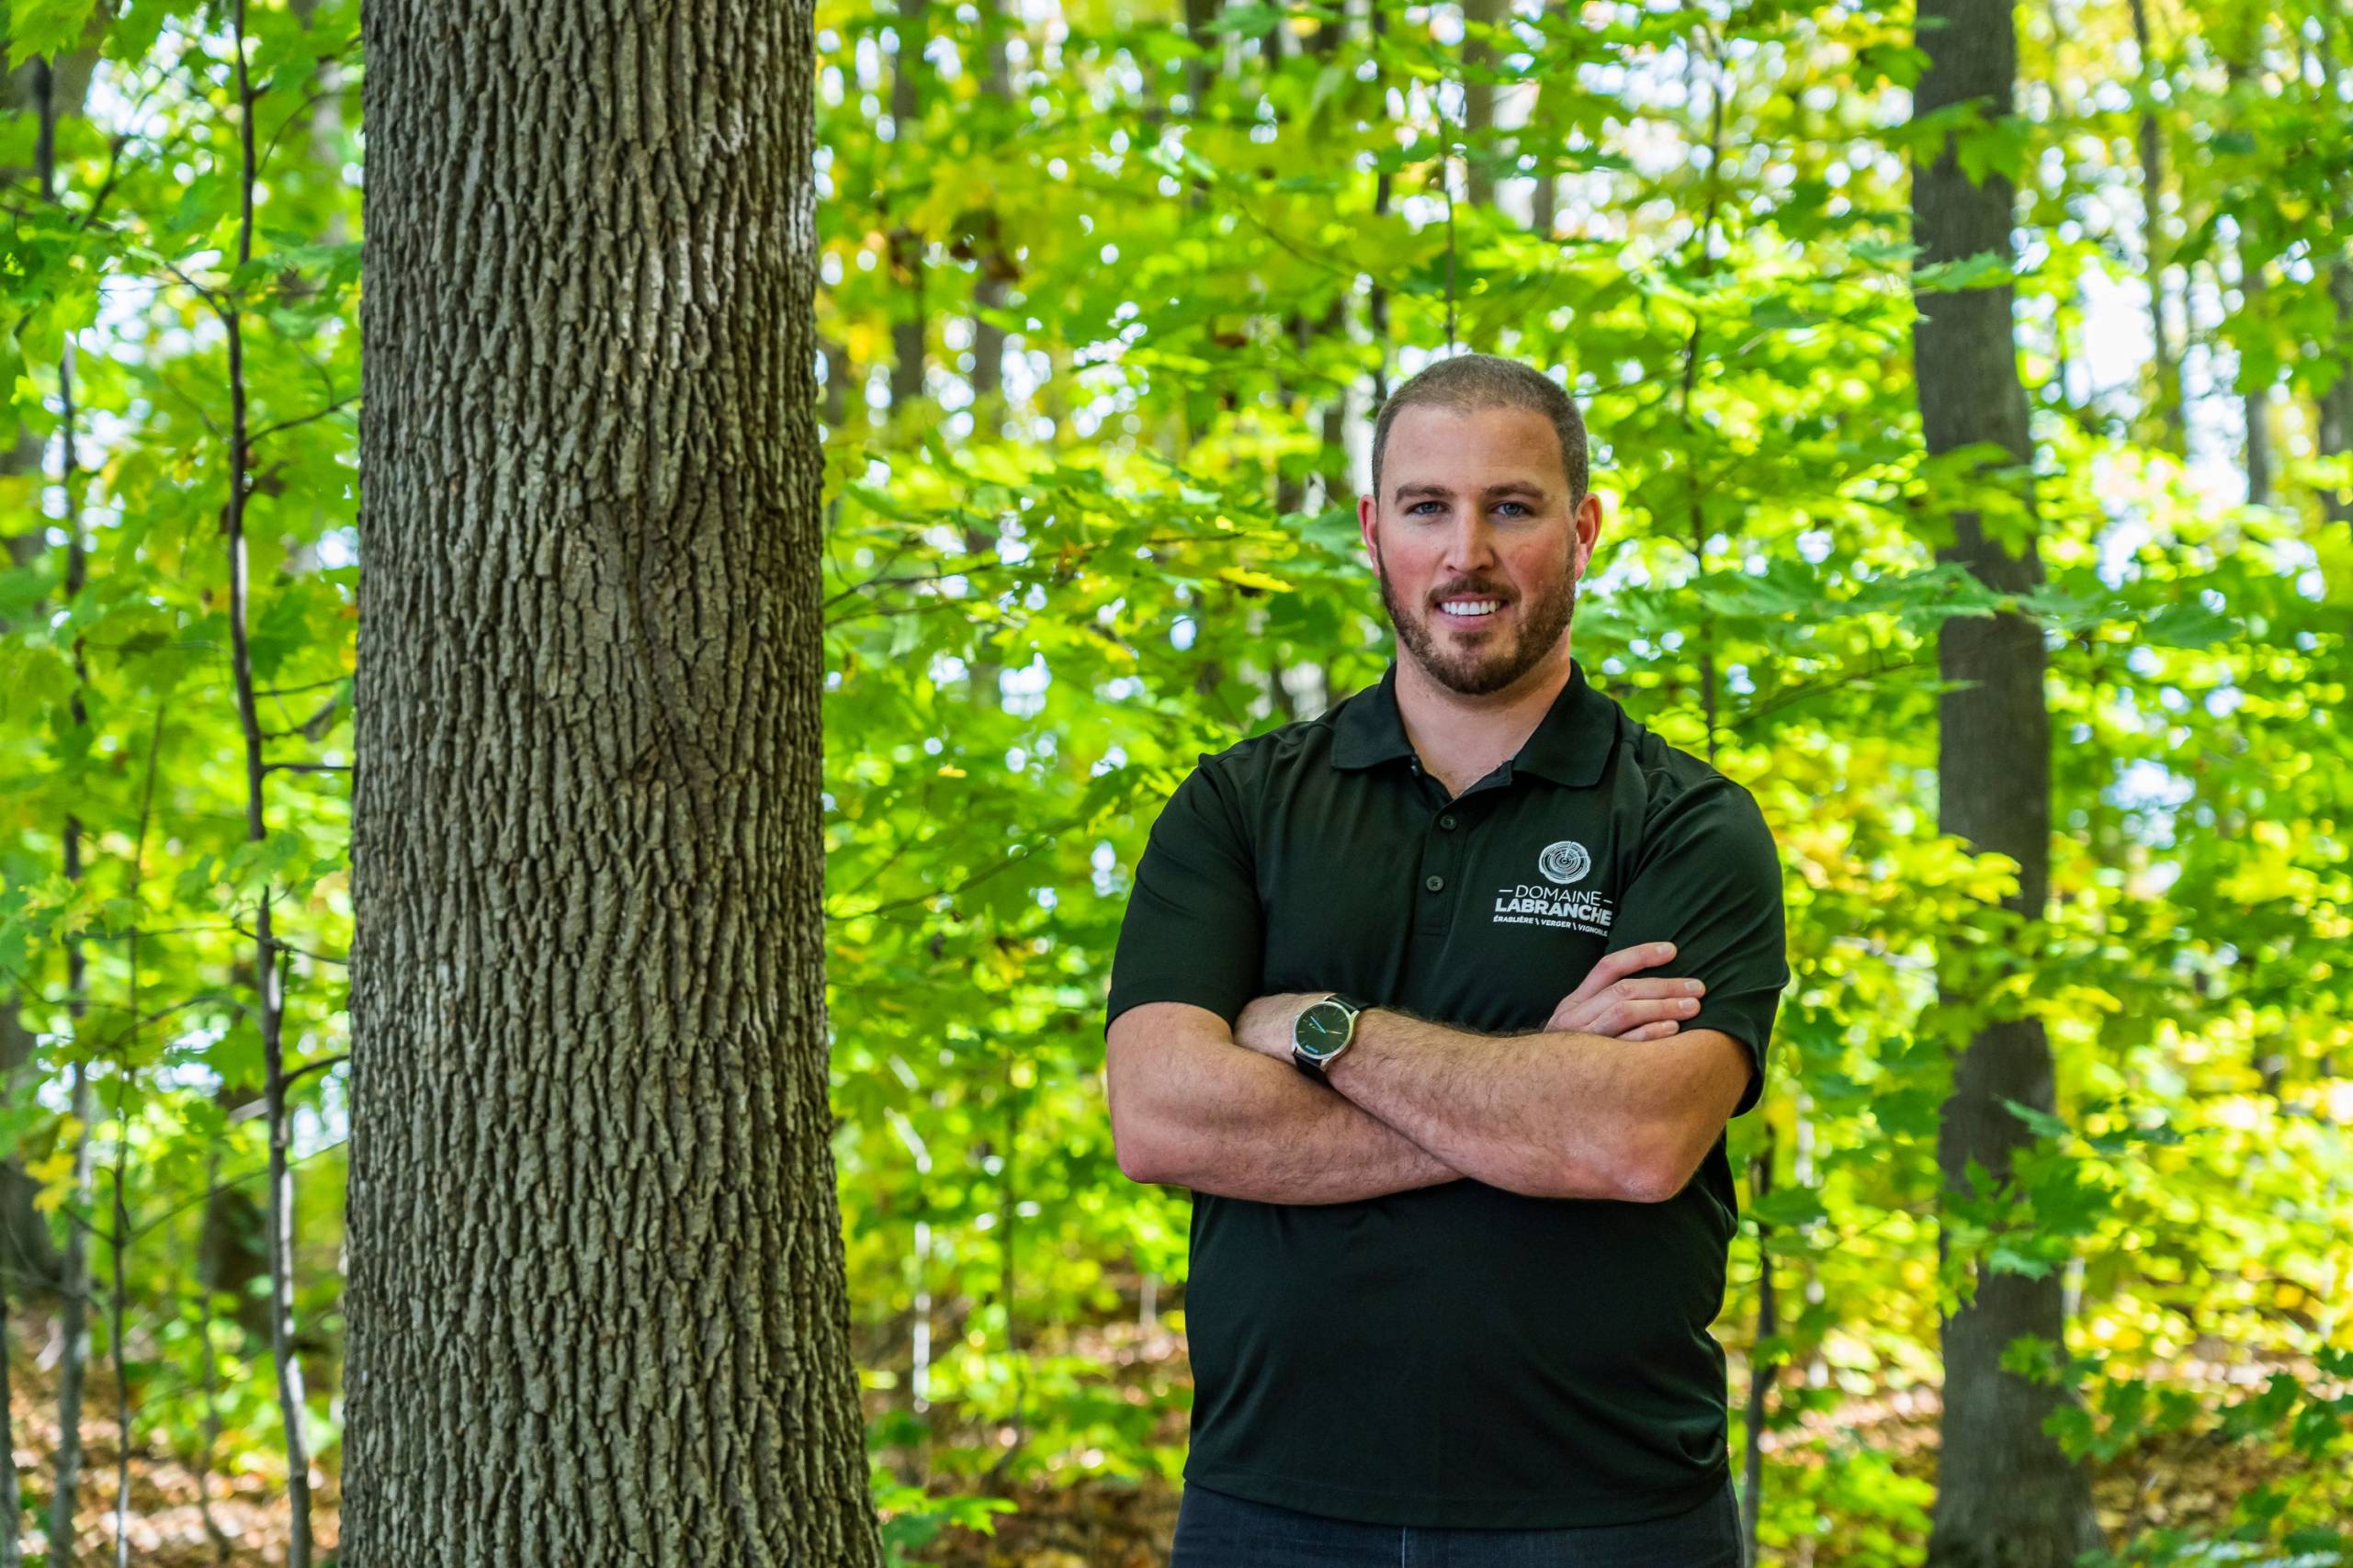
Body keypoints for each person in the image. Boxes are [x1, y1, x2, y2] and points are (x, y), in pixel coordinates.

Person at [1102, 353, 1789, 1566]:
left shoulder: (1687, 823)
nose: (1465, 554)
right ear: (1375, 532)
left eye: (1511, 508)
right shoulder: (1238, 808)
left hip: (1609, 1512)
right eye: (1427, 508)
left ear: (1583, 531)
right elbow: (1159, 1117)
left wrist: (1320, 1031)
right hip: (1270, 1510)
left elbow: (1630, 1142)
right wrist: (1536, 1100)